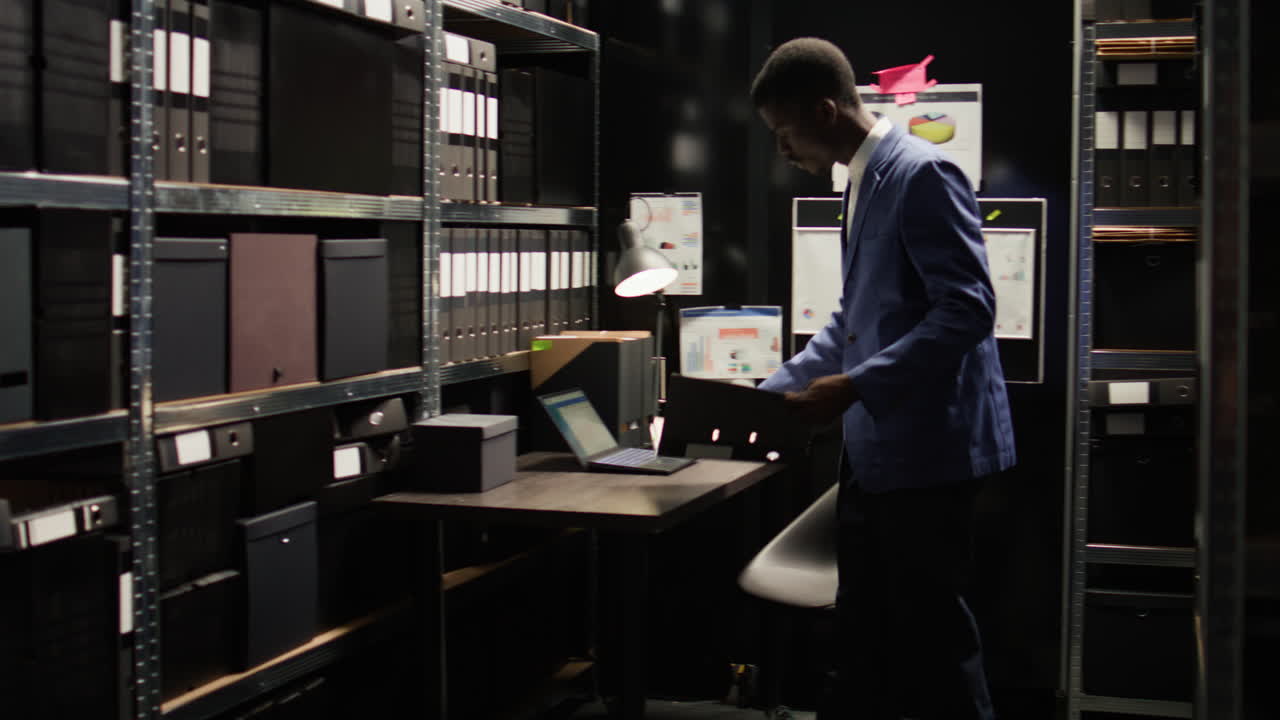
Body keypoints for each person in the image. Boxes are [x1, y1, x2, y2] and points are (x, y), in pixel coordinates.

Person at [752, 38, 1016, 719]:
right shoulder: (865, 180)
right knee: (866, 633)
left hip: (930, 456)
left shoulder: (921, 173)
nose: (782, 150)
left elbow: (969, 310)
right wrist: (769, 392)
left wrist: (857, 386)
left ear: (825, 109)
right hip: (879, 453)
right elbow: (853, 319)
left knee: (933, 643)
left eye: (784, 132)